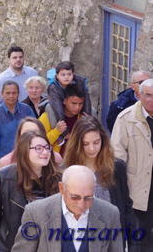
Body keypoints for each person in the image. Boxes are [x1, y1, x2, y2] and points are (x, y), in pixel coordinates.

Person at [64, 116, 140, 251]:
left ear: (103, 141)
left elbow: (126, 208)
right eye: (85, 144)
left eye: (96, 142)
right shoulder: (66, 171)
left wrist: (133, 245)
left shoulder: (116, 168)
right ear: (77, 144)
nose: (92, 148)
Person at [11, 165, 123, 252]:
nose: (81, 204)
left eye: (88, 197)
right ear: (61, 188)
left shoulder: (110, 213)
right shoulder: (36, 213)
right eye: (75, 197)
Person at [0, 131, 61, 251]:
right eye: (38, 148)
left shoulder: (58, 178)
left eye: (47, 147)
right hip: (9, 244)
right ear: (25, 150)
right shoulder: (5, 176)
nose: (45, 152)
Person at [111, 78, 153, 251]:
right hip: (137, 193)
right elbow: (117, 157)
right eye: (148, 95)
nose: (151, 99)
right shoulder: (126, 119)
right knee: (138, 241)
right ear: (139, 95)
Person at [0, 117, 63, 193]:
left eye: (36, 133)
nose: (32, 136)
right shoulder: (6, 162)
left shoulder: (55, 158)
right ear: (19, 138)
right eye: (26, 134)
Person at [0, 80, 36, 172]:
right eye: (8, 93)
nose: (11, 96)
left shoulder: (27, 110)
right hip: (3, 160)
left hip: (26, 158)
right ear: (2, 94)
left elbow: (35, 132)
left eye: (14, 93)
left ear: (18, 94)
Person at [39, 84, 86, 155]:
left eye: (80, 104)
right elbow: (38, 144)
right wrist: (56, 131)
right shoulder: (47, 117)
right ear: (64, 101)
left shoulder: (83, 118)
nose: (77, 107)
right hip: (54, 162)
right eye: (74, 103)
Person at [0, 46, 39, 111]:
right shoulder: (1, 79)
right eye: (14, 57)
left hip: (32, 113)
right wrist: (6, 116)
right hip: (12, 116)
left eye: (20, 57)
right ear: (9, 60)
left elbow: (40, 92)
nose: (18, 59)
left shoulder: (33, 73)